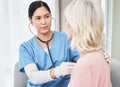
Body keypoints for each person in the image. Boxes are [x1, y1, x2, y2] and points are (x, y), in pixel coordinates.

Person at [19, 0, 79, 87]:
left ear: (51, 16)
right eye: (38, 18)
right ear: (31, 20)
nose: (43, 22)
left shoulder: (66, 38)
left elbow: (84, 59)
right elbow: (34, 77)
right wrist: (58, 71)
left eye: (47, 16)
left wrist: (98, 54)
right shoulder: (25, 48)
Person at [64, 0, 112, 87]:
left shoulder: (83, 67)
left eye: (67, 20)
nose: (66, 24)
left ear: (75, 25)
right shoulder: (101, 55)